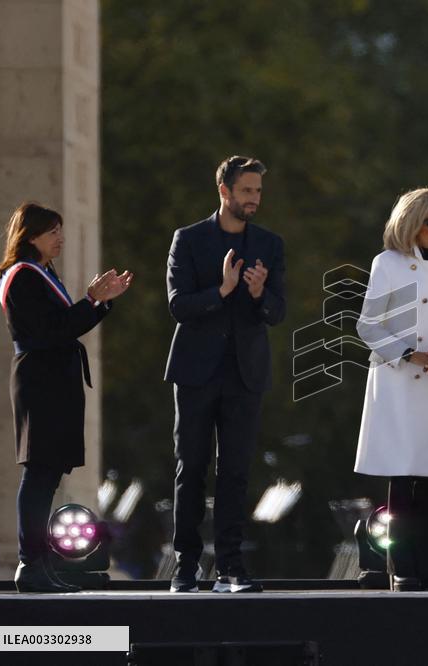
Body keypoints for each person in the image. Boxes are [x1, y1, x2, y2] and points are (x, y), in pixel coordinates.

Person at [0, 202, 132, 592]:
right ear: (31, 235)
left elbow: (63, 326)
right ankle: (30, 563)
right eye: (53, 231)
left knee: (47, 474)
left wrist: (98, 302)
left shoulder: (40, 273)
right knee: (38, 474)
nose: (61, 238)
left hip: (51, 383)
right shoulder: (22, 276)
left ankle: (39, 564)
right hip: (40, 384)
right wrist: (90, 301)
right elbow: (51, 331)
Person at [165, 156, 286, 593]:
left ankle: (231, 566)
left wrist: (258, 294)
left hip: (245, 374)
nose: (254, 199)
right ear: (225, 191)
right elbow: (178, 305)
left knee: (235, 470)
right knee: (191, 467)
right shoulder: (189, 240)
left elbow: (278, 310)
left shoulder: (269, 244)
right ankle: (186, 566)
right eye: (247, 190)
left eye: (258, 191)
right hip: (196, 372)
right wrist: (223, 291)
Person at [353, 187, 428, 592]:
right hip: (399, 382)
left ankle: (425, 566)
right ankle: (402, 566)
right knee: (403, 479)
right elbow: (368, 325)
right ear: (412, 225)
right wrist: (409, 354)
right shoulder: (386, 263)